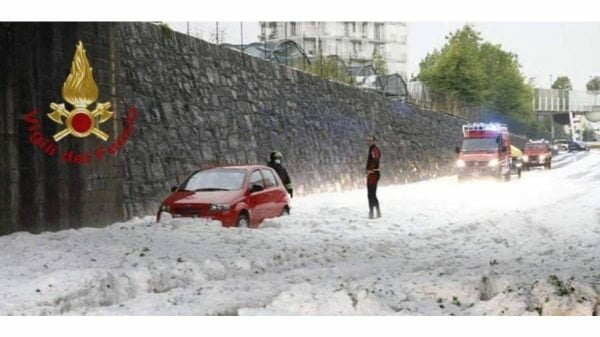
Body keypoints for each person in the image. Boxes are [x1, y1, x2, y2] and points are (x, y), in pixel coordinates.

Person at [365, 135, 381, 219]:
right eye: (368, 141)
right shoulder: (372, 149)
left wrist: (370, 169)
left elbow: (375, 160)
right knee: (372, 194)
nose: (369, 142)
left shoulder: (374, 149)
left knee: (371, 194)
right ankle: (377, 212)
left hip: (373, 174)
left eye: (370, 140)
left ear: (374, 141)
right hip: (373, 173)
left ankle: (372, 213)